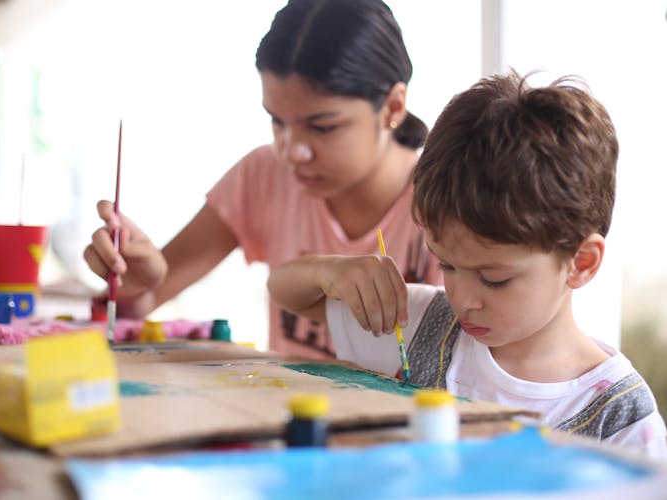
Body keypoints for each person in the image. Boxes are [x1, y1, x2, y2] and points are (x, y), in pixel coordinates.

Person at [267, 70, 667, 458]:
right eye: (447, 265)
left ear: (581, 262)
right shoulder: (425, 326)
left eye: (494, 279)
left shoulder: (622, 419)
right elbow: (289, 293)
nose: (463, 299)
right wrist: (329, 271)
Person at [84, 0, 442, 359]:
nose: (292, 152)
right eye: (277, 121)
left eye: (322, 126)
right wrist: (134, 285)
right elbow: (139, 307)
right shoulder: (265, 173)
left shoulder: (449, 201)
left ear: (393, 107)